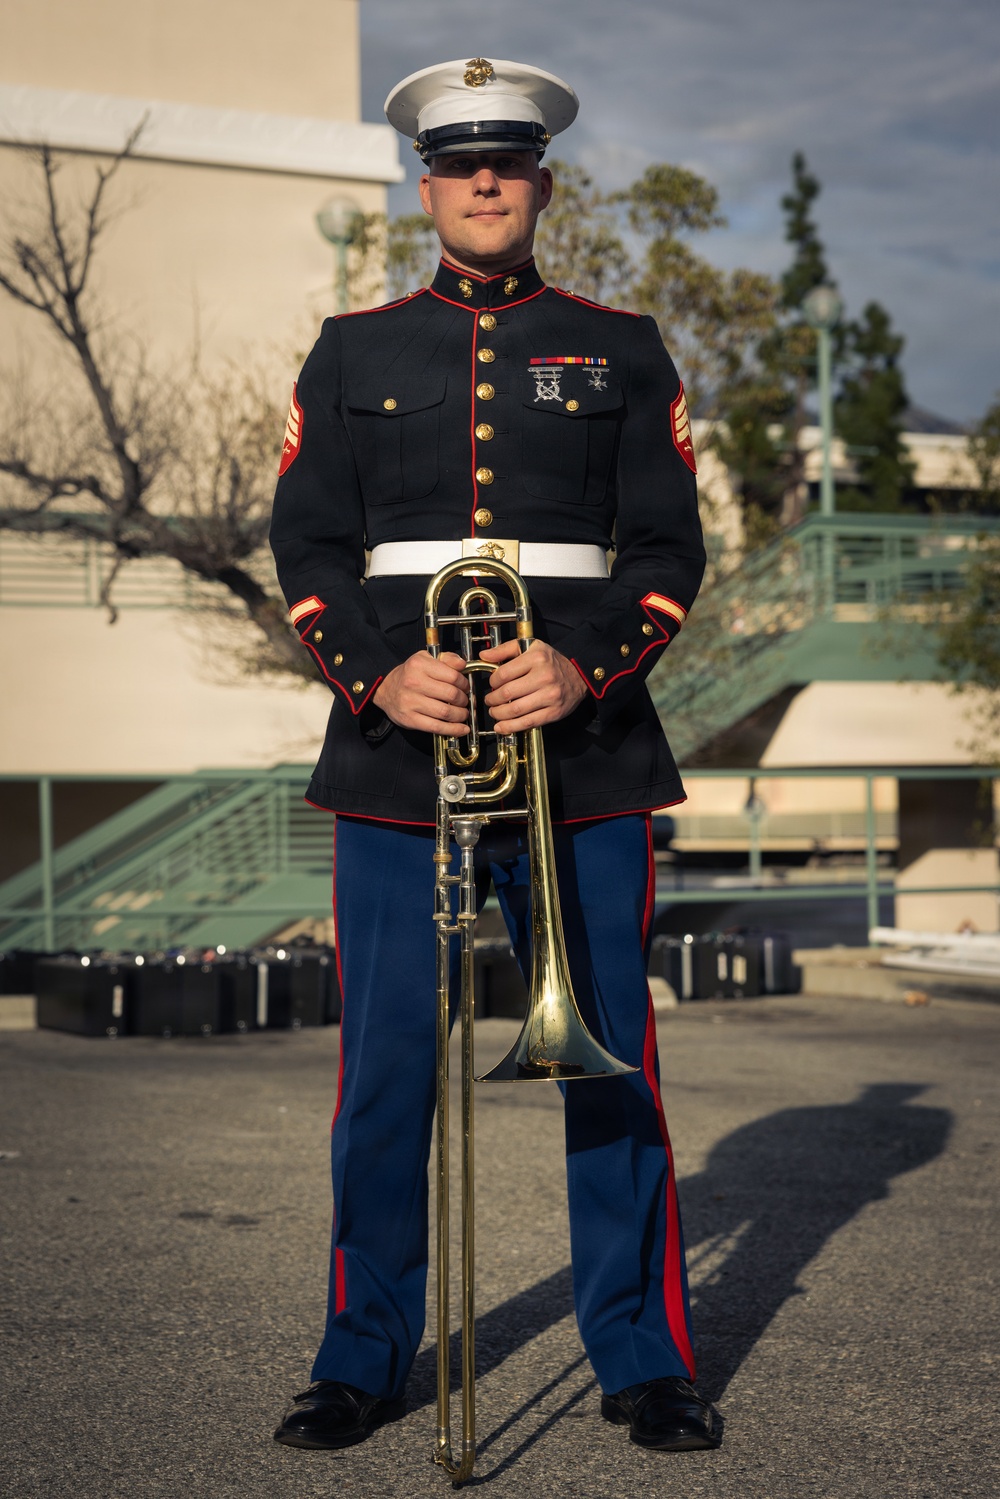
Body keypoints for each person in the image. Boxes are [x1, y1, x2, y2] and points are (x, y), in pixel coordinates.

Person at [268, 56, 715, 1455]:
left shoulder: (624, 344)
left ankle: (639, 1358)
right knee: (388, 1068)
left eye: (506, 162)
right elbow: (307, 548)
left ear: (538, 180)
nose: (482, 181)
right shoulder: (352, 351)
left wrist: (584, 664)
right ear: (424, 184)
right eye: (459, 162)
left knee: (609, 1058)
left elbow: (668, 549)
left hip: (581, 751)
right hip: (397, 752)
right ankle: (362, 1353)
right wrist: (373, 673)